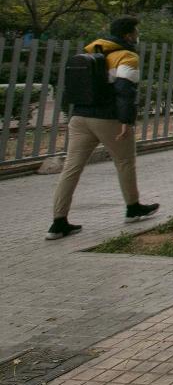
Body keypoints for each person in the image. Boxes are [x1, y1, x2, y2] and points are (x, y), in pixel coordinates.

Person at [46, 16, 159, 240]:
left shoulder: (91, 52)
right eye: (136, 31)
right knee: (125, 162)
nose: (137, 35)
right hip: (108, 119)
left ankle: (58, 223)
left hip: (79, 117)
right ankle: (133, 207)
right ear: (128, 35)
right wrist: (126, 121)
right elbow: (125, 90)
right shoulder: (127, 56)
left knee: (71, 168)